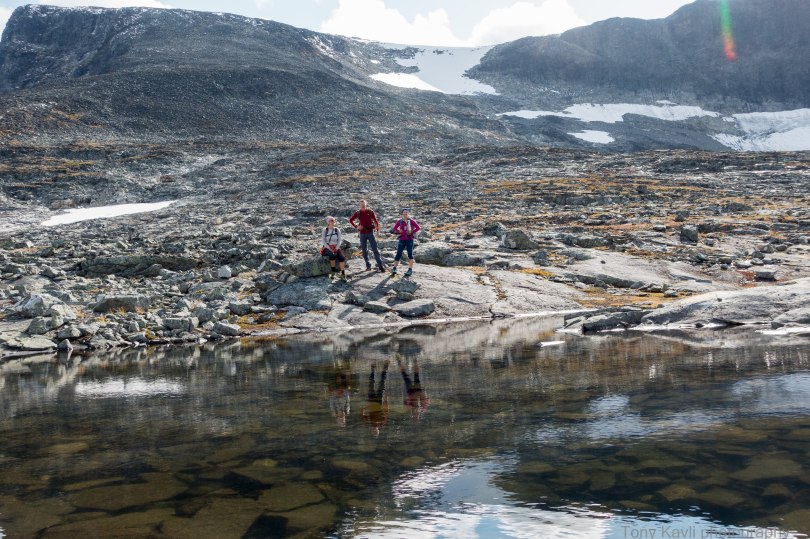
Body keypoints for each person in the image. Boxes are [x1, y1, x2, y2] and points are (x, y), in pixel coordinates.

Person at [348, 199, 386, 272]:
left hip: (370, 232)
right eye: (361, 205)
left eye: (364, 205)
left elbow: (376, 221)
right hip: (362, 233)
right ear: (360, 205)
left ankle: (380, 266)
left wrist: (378, 231)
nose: (363, 206)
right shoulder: (358, 213)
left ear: (366, 205)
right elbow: (351, 220)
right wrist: (356, 226)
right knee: (364, 250)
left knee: (375, 249)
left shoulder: (370, 212)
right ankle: (368, 266)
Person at [361, 361, 390, 437]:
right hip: (379, 401)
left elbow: (362, 413)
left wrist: (365, 406)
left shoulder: (368, 423)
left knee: (371, 383)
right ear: (378, 430)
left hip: (371, 401)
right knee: (382, 383)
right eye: (376, 431)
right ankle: (385, 367)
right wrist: (386, 401)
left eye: (373, 431)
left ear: (371, 431)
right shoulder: (382, 423)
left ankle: (373, 368)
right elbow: (386, 411)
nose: (374, 430)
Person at [391, 209, 421, 277]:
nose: (405, 213)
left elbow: (418, 227)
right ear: (402, 213)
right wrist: (399, 231)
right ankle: (394, 268)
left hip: (409, 239)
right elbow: (395, 228)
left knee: (410, 254)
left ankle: (410, 270)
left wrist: (412, 231)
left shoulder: (411, 221)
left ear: (408, 213)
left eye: (406, 212)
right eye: (404, 212)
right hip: (402, 239)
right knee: (398, 253)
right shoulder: (400, 221)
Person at [321, 216, 347, 281]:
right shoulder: (325, 230)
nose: (332, 222)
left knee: (342, 257)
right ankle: (333, 272)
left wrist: (337, 248)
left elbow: (339, 240)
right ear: (328, 222)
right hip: (327, 247)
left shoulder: (337, 230)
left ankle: (343, 274)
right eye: (330, 221)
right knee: (332, 255)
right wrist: (329, 248)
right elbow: (323, 241)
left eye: (333, 221)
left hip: (336, 247)